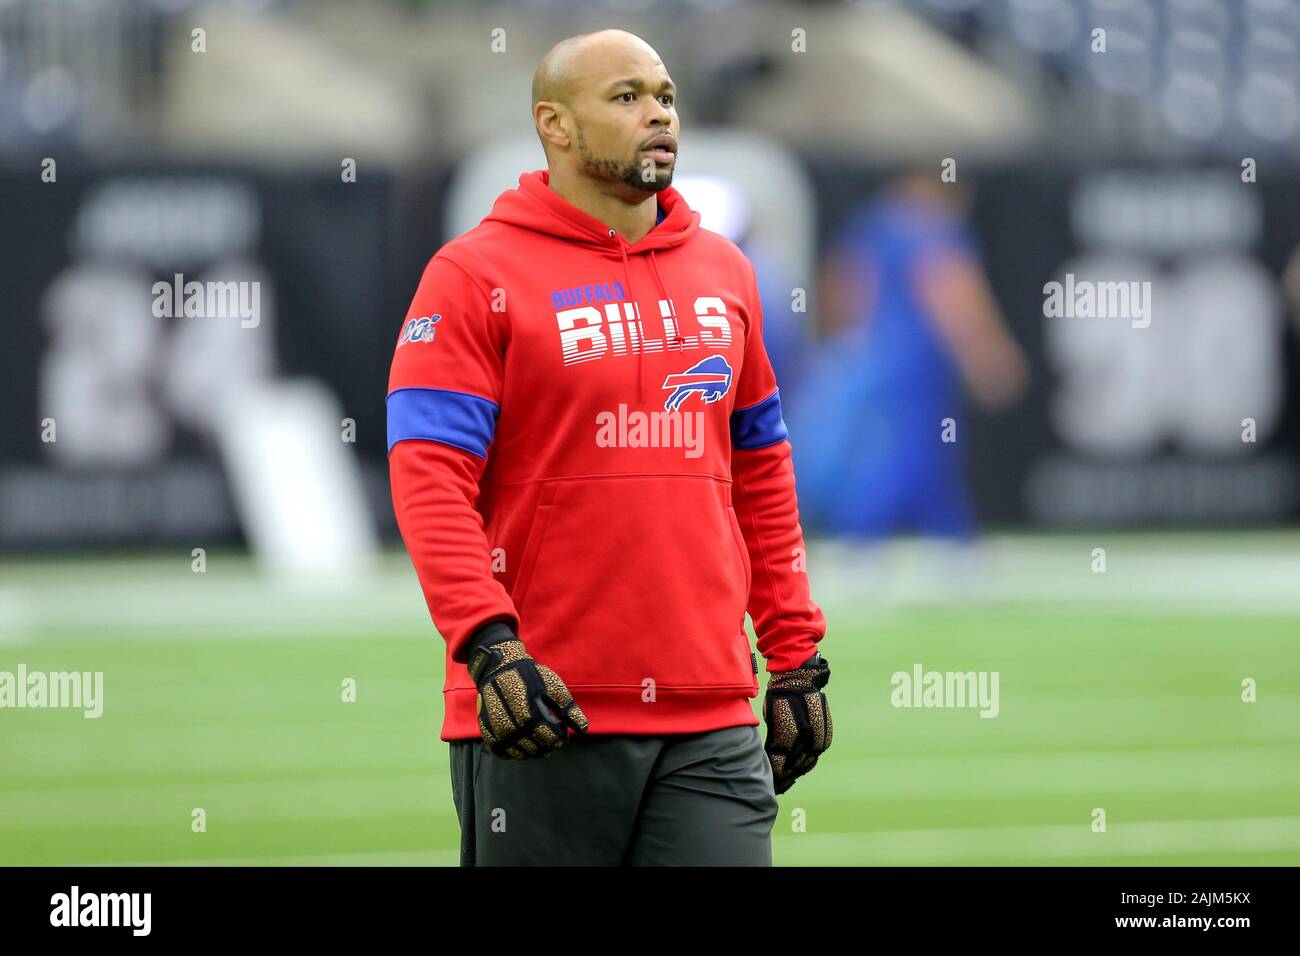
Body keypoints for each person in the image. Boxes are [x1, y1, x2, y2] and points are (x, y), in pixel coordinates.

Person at [386, 29, 831, 866]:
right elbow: (429, 477)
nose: (658, 114)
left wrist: (797, 654)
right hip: (544, 709)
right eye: (626, 98)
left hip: (713, 716)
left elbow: (761, 472)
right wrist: (489, 646)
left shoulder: (726, 270)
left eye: (664, 96)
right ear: (554, 124)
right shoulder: (471, 274)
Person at [791, 171, 1028, 539]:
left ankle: (937, 538)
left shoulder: (873, 224)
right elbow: (948, 293)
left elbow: (842, 289)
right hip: (916, 372)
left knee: (893, 456)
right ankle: (881, 539)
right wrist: (984, 353)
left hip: (875, 366)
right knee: (912, 456)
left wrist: (848, 351)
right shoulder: (931, 228)